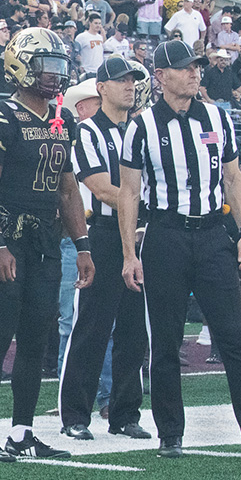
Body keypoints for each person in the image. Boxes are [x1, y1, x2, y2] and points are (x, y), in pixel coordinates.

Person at [119, 40, 241, 461]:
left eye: (197, 67)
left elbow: (234, 178)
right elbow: (129, 193)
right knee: (166, 340)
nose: (195, 73)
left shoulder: (218, 118)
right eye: (186, 68)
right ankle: (170, 432)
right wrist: (129, 254)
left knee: (234, 337)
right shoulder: (142, 126)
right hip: (166, 233)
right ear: (161, 76)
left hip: (211, 235)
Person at [0, 27, 94, 461]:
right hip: (8, 236)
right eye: (46, 66)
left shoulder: (64, 120)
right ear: (21, 67)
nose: (54, 75)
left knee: (36, 340)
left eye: (59, 66)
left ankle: (22, 432)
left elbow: (67, 188)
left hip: (45, 239)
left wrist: (83, 245)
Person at [58, 57, 151, 442]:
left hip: (142, 234)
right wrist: (144, 207)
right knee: (92, 324)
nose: (130, 86)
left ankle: (126, 412)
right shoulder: (87, 132)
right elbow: (98, 186)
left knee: (134, 329)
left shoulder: (141, 129)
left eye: (133, 80)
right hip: (106, 233)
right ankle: (75, 413)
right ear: (102, 87)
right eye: (121, 80)